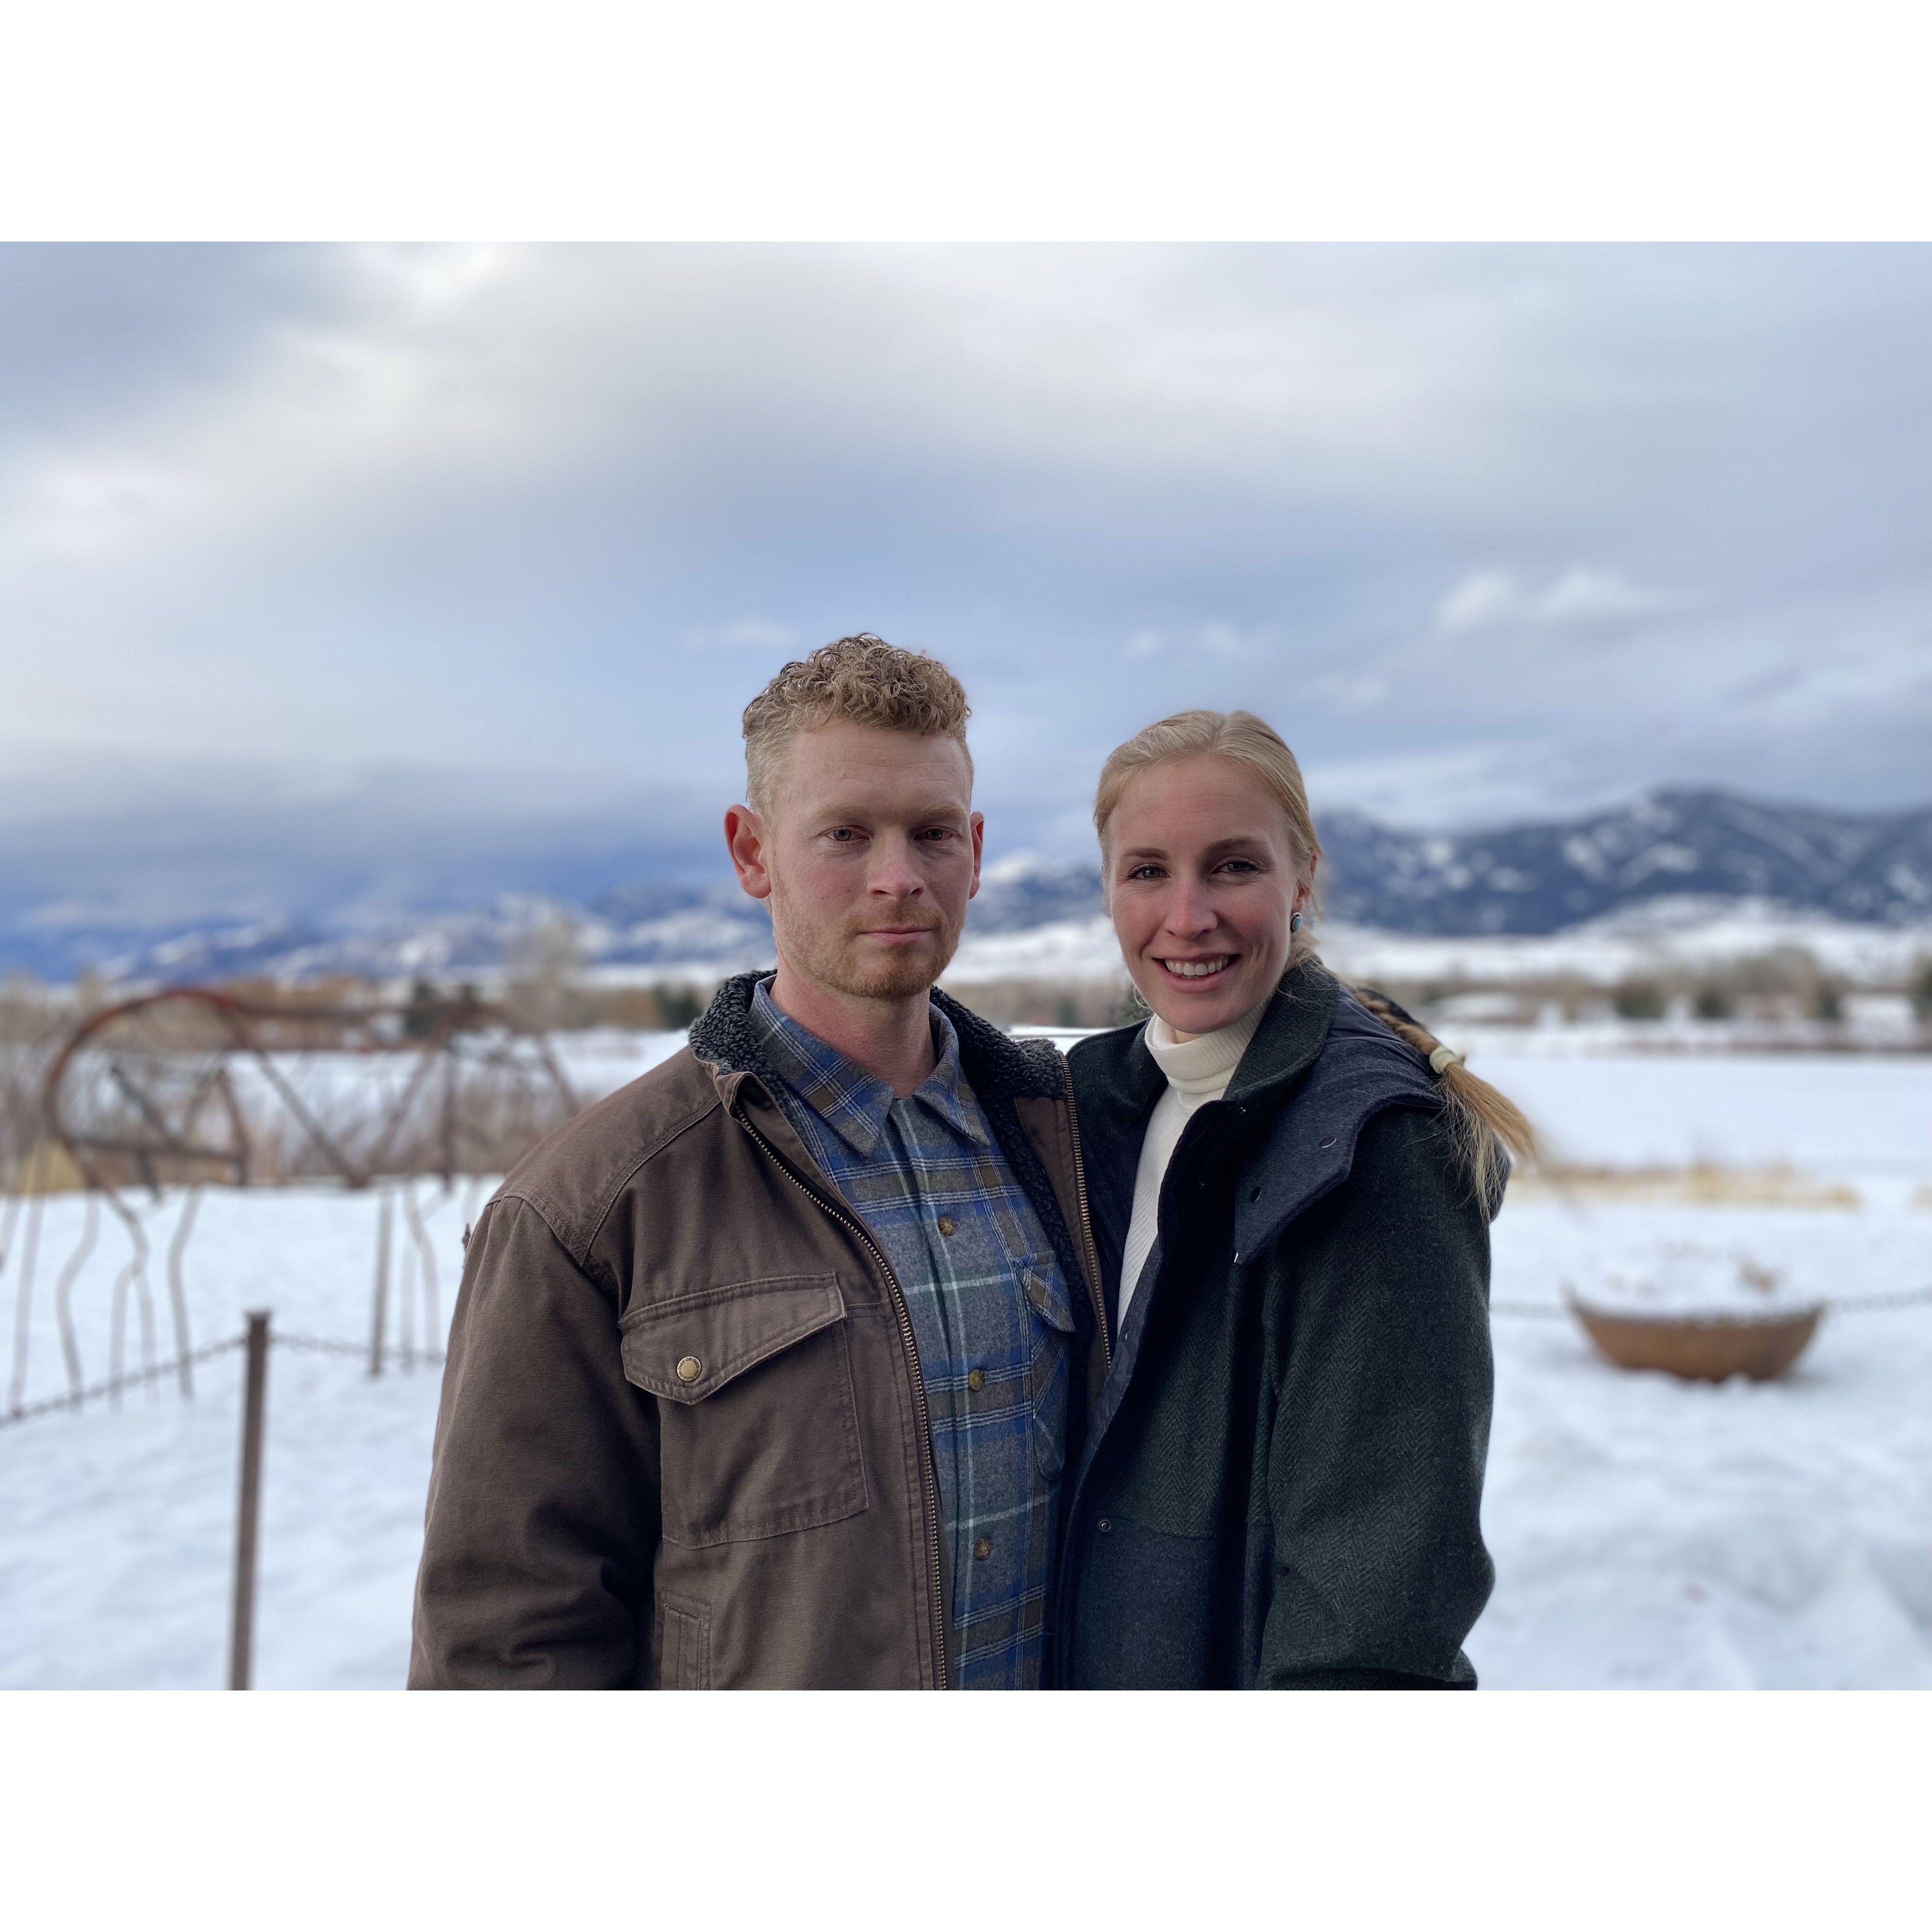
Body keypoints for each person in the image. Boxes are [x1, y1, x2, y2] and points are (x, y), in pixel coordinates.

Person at [409, 635, 1106, 1689]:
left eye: (931, 834)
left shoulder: (1068, 1142)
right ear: (752, 854)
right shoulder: (592, 1209)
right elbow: (505, 1639)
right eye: (846, 835)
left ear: (974, 849)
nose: (898, 879)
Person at [1055, 709, 1532, 1689]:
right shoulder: (1106, 1104)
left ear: (1302, 878)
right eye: (1148, 872)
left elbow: (1376, 1615)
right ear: (1107, 890)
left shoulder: (1374, 1152)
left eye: (1232, 867)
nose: (1188, 916)